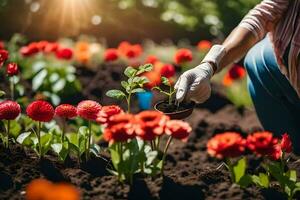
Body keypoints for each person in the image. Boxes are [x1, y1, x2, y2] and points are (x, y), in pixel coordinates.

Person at [175, 0, 300, 152]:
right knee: (257, 60)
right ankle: (290, 153)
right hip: (286, 56)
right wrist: (209, 65)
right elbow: (263, 15)